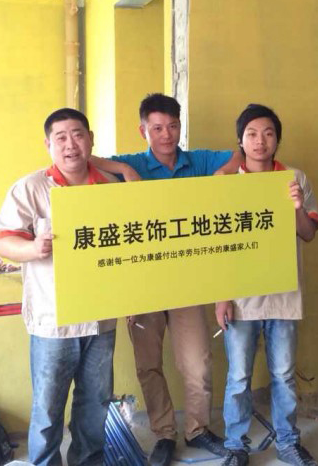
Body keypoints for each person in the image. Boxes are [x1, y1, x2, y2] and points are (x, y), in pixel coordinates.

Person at [90, 93, 237, 466]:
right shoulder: (133, 163)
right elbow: (85, 159)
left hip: (189, 282)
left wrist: (220, 178)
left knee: (198, 363)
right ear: (143, 131)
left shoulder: (198, 161)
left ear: (180, 126)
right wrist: (124, 172)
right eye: (157, 128)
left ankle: (198, 429)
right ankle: (164, 433)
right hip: (144, 284)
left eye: (172, 126)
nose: (166, 135)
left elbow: (238, 156)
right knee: (148, 365)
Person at [0, 108, 119, 466]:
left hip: (101, 318)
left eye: (78, 135)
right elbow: (4, 242)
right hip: (53, 319)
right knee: (48, 407)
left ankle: (88, 461)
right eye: (60, 137)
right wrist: (33, 249)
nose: (70, 144)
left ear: (90, 139)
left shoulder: (110, 189)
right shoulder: (31, 189)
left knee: (95, 403)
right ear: (48, 144)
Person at [214, 104, 318, 466]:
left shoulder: (295, 178)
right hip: (240, 297)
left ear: (277, 139)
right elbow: (216, 245)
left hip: (284, 295)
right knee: (238, 376)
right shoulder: (227, 182)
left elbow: (308, 234)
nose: (260, 141)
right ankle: (236, 444)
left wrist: (296, 208)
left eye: (268, 133)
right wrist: (221, 297)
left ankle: (288, 442)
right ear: (240, 141)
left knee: (284, 375)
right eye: (252, 134)